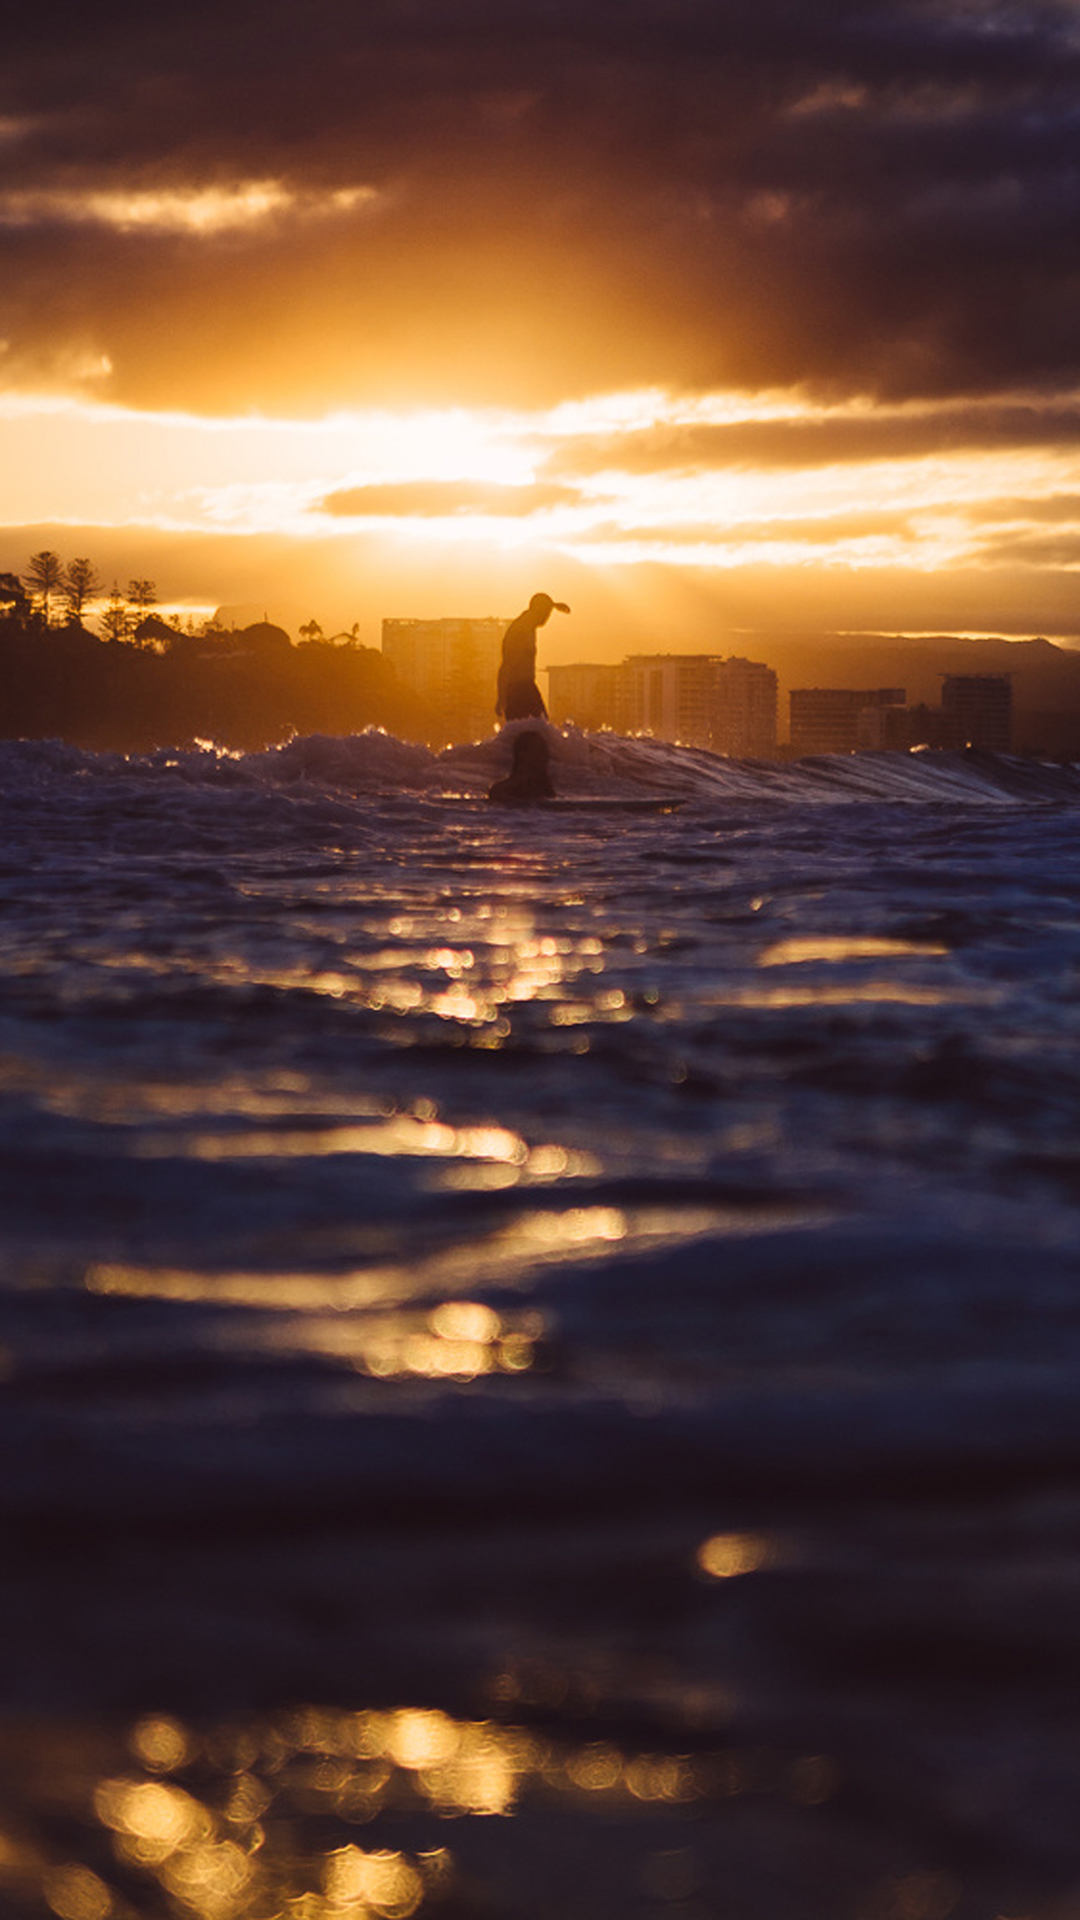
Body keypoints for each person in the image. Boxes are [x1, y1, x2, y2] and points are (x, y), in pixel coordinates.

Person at [495, 592, 570, 723]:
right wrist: (501, 698)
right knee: (537, 727)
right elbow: (506, 665)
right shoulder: (520, 630)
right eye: (546, 614)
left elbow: (541, 603)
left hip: (526, 686)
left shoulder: (528, 625)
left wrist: (555, 605)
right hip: (518, 691)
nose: (547, 618)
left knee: (542, 725)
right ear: (538, 611)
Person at [487, 728, 556, 804]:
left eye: (545, 751)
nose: (546, 756)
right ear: (522, 755)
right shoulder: (501, 790)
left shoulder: (545, 789)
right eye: (540, 750)